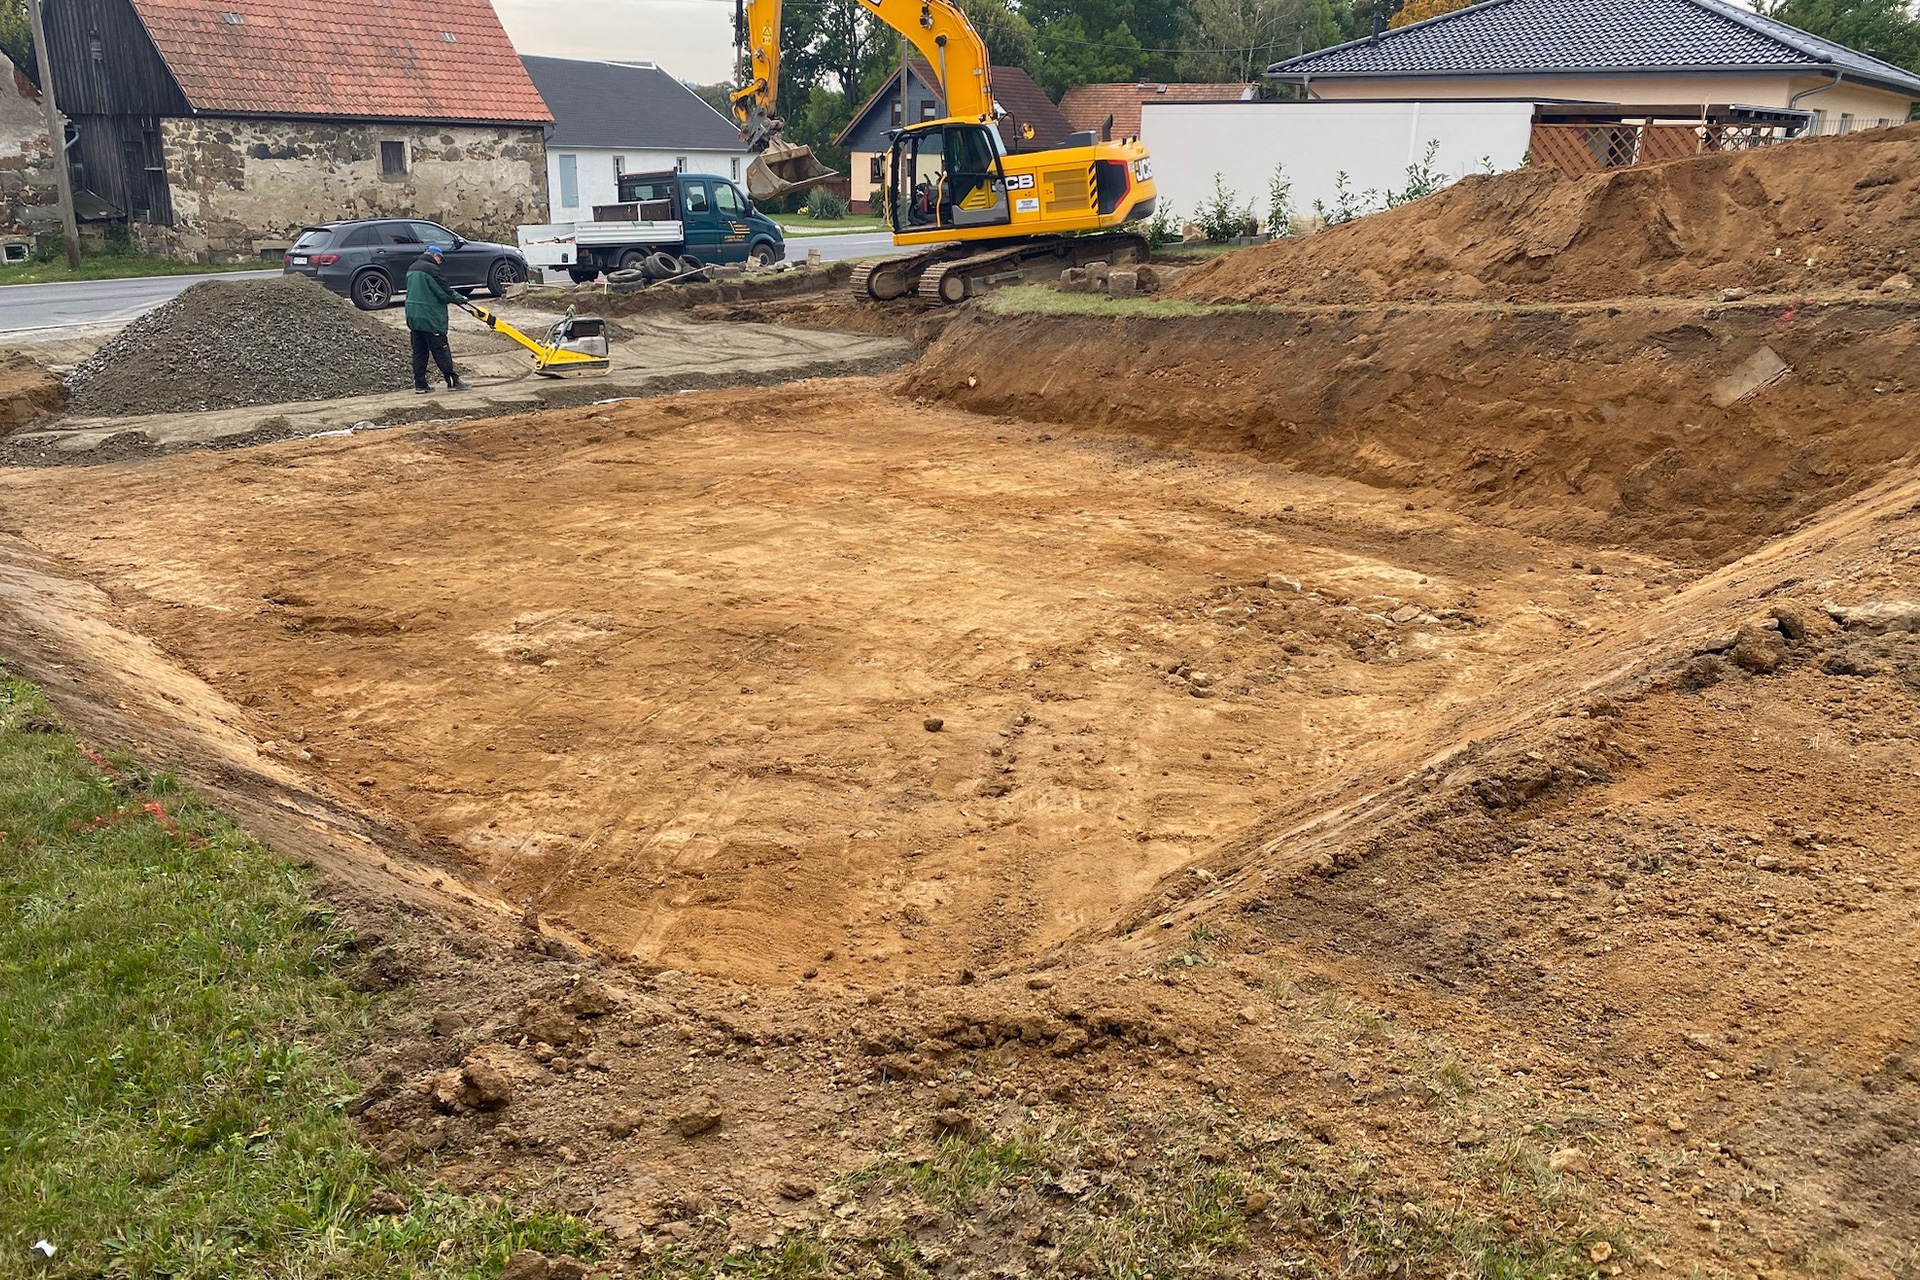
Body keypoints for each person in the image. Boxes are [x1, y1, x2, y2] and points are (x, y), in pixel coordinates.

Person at [404, 245, 466, 393]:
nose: (440, 262)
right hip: (430, 317)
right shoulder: (431, 269)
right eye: (440, 259)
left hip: (413, 316)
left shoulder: (412, 267)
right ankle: (452, 381)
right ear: (434, 256)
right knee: (441, 350)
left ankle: (420, 384)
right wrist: (460, 298)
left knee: (419, 352)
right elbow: (444, 292)